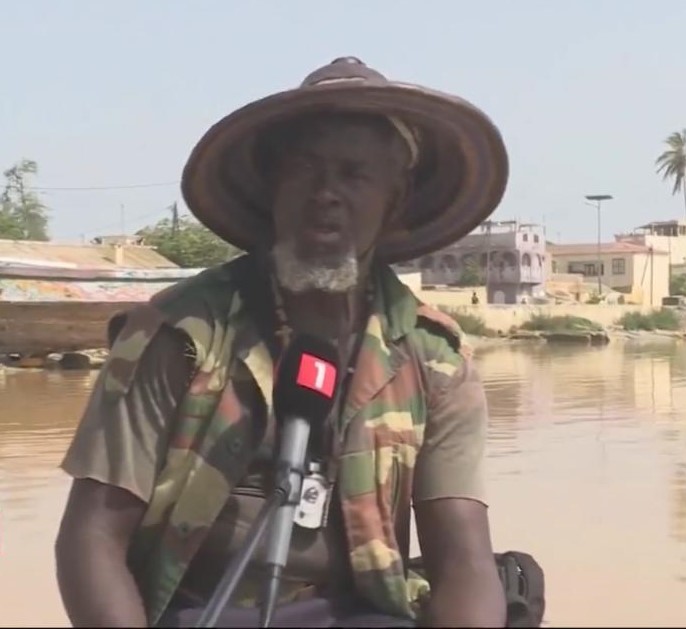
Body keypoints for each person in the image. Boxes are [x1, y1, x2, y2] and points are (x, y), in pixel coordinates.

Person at [55, 56, 510, 628]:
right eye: (304, 170)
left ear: (396, 201)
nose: (326, 193)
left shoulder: (435, 357)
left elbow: (464, 562)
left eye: (354, 174)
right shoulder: (179, 334)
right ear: (271, 189)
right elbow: (91, 538)